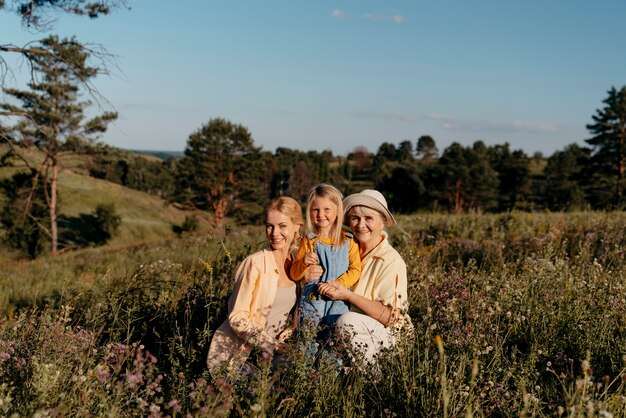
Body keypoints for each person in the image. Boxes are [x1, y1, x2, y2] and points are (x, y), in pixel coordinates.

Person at [207, 196, 304, 377]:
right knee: (259, 397)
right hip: (241, 355)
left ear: (297, 227)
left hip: (276, 353)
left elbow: (292, 314)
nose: (274, 233)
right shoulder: (255, 263)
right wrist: (272, 345)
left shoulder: (298, 264)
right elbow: (237, 318)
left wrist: (289, 334)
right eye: (269, 226)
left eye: (282, 226)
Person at [316, 189, 412, 364]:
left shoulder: (390, 260)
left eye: (368, 218)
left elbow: (390, 317)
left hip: (387, 337)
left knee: (347, 321)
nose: (360, 225)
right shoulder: (345, 250)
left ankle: (372, 381)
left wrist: (347, 295)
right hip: (350, 335)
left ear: (382, 221)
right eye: (355, 218)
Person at [290, 184, 361, 327]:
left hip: (339, 301)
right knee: (308, 341)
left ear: (337, 211)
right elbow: (294, 274)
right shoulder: (308, 241)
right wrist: (303, 263)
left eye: (326, 209)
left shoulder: (348, 240)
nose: (320, 215)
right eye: (315, 210)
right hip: (313, 301)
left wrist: (338, 285)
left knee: (334, 339)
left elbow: (355, 270)